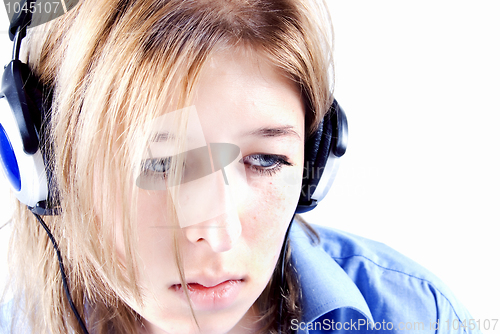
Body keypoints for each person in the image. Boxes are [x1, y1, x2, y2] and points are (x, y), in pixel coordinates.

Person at [0, 0, 480, 333]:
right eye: (163, 165)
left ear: (315, 160)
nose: (220, 232)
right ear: (47, 169)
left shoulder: (419, 318)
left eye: (266, 160)